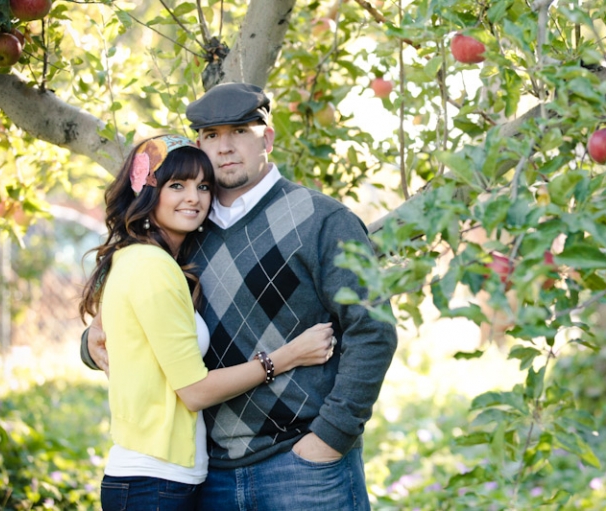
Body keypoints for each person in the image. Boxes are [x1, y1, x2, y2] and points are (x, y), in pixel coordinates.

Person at [82, 83, 398, 510]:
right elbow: (144, 321)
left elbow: (373, 331)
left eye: (240, 132)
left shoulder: (324, 220)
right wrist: (92, 340)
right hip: (210, 475)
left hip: (302, 465)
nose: (225, 147)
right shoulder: (184, 227)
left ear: (267, 139)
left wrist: (330, 438)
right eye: (212, 135)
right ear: (199, 145)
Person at [79, 134, 335, 510]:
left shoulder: (137, 258)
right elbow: (194, 391)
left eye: (202, 186)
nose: (194, 198)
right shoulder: (152, 267)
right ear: (147, 191)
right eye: (177, 185)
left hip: (162, 478)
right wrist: (289, 356)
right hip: (154, 481)